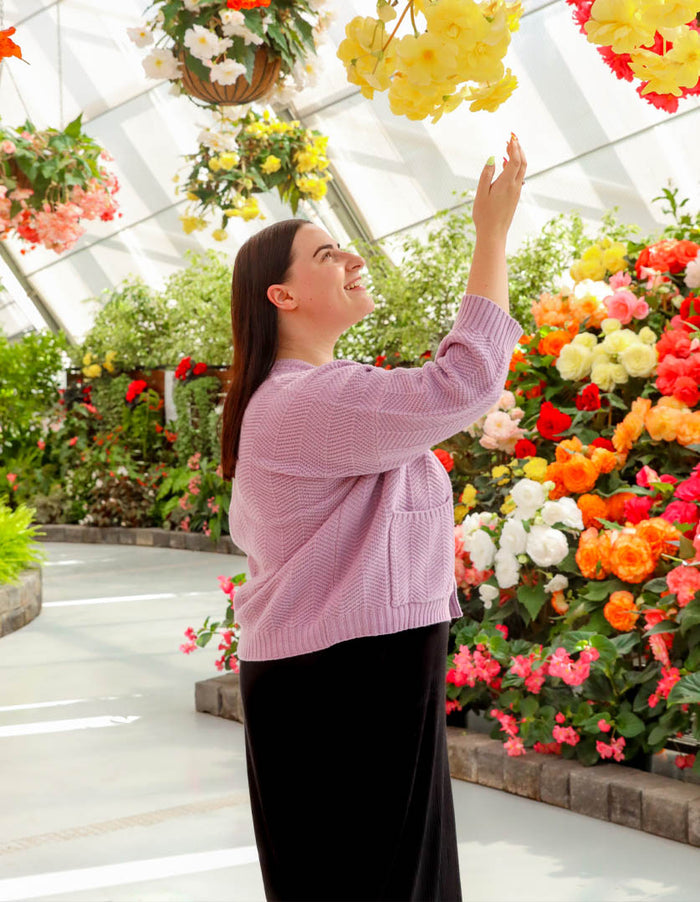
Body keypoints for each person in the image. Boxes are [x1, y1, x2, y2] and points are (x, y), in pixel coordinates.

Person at [220, 135, 527, 902]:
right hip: (348, 677)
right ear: (280, 296)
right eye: (326, 255)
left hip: (348, 671)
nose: (352, 258)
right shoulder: (308, 400)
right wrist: (491, 235)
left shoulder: (307, 396)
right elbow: (465, 383)